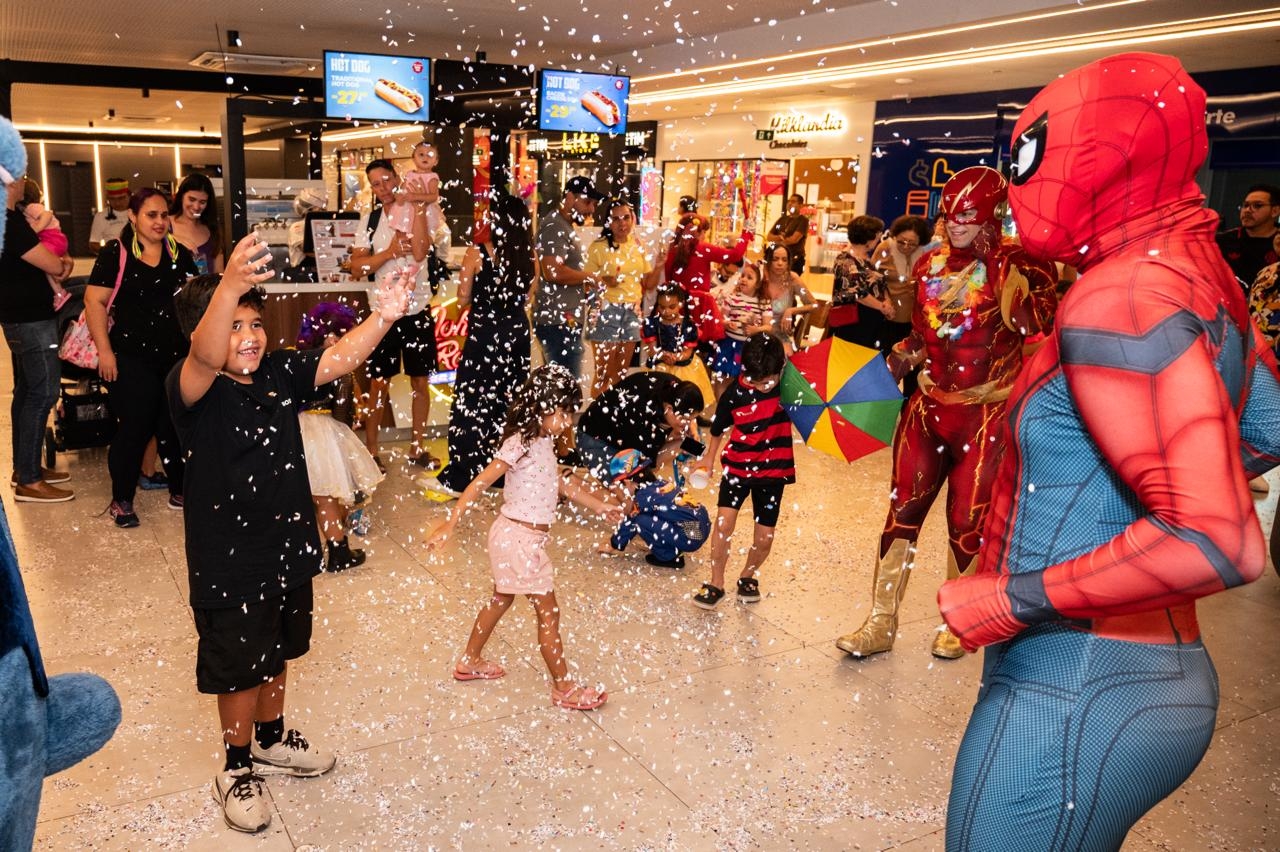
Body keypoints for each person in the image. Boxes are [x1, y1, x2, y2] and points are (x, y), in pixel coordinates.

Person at [938, 52, 1280, 852]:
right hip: (1151, 673)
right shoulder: (1199, 278)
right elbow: (1266, 430)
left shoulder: (1122, 298)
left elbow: (1217, 539)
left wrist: (1012, 597)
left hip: (1074, 686)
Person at [167, 236, 415, 834]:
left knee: (279, 651)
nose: (248, 336)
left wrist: (382, 316)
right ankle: (235, 764)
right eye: (233, 326)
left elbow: (336, 359)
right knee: (239, 668)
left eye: (255, 323)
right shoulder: (193, 389)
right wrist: (226, 285)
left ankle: (273, 740)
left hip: (287, 548)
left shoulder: (278, 372)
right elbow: (204, 355)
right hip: (229, 562)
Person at [834, 166, 1057, 661]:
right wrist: (895, 362)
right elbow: (919, 336)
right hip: (928, 407)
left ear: (993, 215)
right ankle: (880, 622)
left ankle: (957, 619)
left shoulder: (1020, 265)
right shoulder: (928, 265)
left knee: (966, 519)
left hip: (984, 416)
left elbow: (1037, 334)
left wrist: (1016, 275)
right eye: (949, 215)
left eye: (968, 217)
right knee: (902, 512)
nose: (955, 226)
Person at [426, 365, 622, 710]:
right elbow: (481, 482)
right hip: (520, 540)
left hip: (515, 536)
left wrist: (599, 506)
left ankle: (470, 660)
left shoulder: (543, 441)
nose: (567, 421)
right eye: (563, 412)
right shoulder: (520, 443)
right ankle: (563, 687)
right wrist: (451, 522)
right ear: (542, 407)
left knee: (501, 599)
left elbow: (559, 482)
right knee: (549, 613)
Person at [85, 188, 196, 526]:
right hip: (129, 356)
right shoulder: (115, 254)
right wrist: (105, 352)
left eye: (164, 215)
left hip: (176, 357)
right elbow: (94, 303)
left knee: (174, 425)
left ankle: (181, 490)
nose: (160, 222)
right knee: (135, 427)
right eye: (151, 215)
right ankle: (122, 499)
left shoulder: (180, 254)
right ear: (133, 217)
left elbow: (195, 301)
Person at [429, 192, 534, 497]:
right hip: (515, 334)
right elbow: (528, 295)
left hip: (486, 334)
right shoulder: (529, 255)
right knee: (508, 402)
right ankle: (502, 471)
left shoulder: (477, 253)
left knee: (471, 403)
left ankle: (462, 474)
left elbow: (462, 297)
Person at [691, 333, 793, 609]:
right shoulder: (735, 393)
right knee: (723, 524)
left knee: (765, 536)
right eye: (758, 381)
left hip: (774, 473)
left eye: (769, 380)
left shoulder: (790, 388)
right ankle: (716, 581)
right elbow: (717, 429)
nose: (764, 386)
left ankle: (748, 575)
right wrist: (709, 460)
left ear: (781, 368)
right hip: (738, 468)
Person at [349, 158, 436, 472]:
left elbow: (421, 251)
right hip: (383, 314)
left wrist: (420, 210)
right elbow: (357, 267)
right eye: (375, 183)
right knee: (378, 383)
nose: (383, 188)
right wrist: (388, 252)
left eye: (387, 180)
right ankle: (371, 452)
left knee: (420, 382)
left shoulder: (419, 212)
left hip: (417, 310)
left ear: (399, 178)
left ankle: (417, 448)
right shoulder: (369, 221)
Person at [1, 169, 73, 502]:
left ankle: (25, 467)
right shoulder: (10, 224)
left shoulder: (13, 219)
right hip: (30, 321)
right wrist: (62, 264)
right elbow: (55, 266)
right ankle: (29, 480)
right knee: (43, 393)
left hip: (21, 319)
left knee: (28, 391)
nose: (22, 181)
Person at [295, 302, 384, 572]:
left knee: (302, 496)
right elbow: (343, 410)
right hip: (322, 433)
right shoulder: (337, 367)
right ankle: (338, 551)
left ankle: (304, 552)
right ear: (333, 336)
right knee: (327, 497)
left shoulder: (298, 358)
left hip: (295, 431)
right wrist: (353, 420)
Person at [583, 197, 657, 397]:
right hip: (605, 309)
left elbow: (648, 284)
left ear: (632, 219)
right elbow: (585, 282)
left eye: (626, 217)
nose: (622, 223)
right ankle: (597, 421)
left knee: (621, 372)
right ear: (608, 222)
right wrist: (604, 280)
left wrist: (661, 265)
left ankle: (615, 420)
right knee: (603, 373)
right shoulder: (598, 246)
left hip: (632, 311)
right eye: (616, 219)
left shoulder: (638, 245)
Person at [575, 371, 704, 486]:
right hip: (595, 441)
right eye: (686, 419)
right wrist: (683, 443)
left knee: (693, 439)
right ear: (669, 409)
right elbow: (650, 464)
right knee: (631, 495)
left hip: (625, 430)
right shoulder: (643, 420)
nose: (688, 423)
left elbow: (689, 423)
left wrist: (693, 433)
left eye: (692, 418)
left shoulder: (676, 389)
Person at [533, 176, 605, 378]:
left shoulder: (562, 225)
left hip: (564, 321)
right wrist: (588, 277)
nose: (592, 209)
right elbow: (552, 271)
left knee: (563, 387)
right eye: (588, 202)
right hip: (558, 323)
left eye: (594, 204)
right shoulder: (555, 226)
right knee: (564, 390)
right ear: (570, 197)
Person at [663, 213, 752, 368]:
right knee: (701, 349)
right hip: (700, 307)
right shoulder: (703, 249)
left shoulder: (672, 250)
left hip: (678, 305)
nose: (704, 236)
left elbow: (668, 278)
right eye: (704, 232)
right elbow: (735, 255)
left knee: (678, 347)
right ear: (697, 232)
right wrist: (746, 233)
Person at [642, 285, 714, 411]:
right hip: (660, 365)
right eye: (662, 307)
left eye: (671, 307)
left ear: (681, 304)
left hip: (684, 366)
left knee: (687, 394)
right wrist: (663, 355)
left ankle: (692, 417)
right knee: (660, 398)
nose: (666, 312)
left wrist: (675, 357)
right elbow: (652, 350)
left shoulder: (687, 325)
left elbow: (687, 352)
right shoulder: (652, 324)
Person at [828, 215, 893, 351]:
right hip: (853, 324)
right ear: (869, 239)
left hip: (870, 323)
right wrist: (882, 307)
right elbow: (858, 293)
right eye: (877, 235)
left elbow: (879, 285)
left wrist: (887, 302)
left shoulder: (866, 260)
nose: (879, 238)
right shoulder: (846, 260)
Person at [713, 261, 772, 400]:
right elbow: (721, 319)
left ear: (758, 284)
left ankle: (735, 406)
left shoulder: (763, 303)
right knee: (723, 377)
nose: (744, 279)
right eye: (743, 276)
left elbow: (768, 327)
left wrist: (756, 329)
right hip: (729, 345)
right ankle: (721, 405)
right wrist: (727, 324)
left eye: (749, 277)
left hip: (748, 348)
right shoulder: (732, 298)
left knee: (742, 380)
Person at [19, 179, 71, 311]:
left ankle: (60, 293)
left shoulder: (32, 207)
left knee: (48, 265)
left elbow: (47, 215)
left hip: (51, 238)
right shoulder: (29, 209)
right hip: (53, 238)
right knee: (48, 266)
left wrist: (35, 230)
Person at [1216, 183, 1279, 291]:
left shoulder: (1278, 242)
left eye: (1257, 205)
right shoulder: (1222, 240)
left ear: (1275, 211)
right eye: (1245, 205)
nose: (1248, 210)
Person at [760, 242, 816, 352]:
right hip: (757, 333)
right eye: (775, 259)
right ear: (768, 260)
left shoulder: (792, 278)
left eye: (784, 260)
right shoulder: (759, 276)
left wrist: (791, 310)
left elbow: (814, 305)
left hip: (780, 335)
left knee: (786, 356)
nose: (780, 263)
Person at [400, 140, 450, 258]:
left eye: (430, 155)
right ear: (414, 158)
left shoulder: (433, 177)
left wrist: (415, 197)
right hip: (409, 208)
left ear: (436, 161)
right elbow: (402, 190)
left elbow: (433, 196)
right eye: (421, 154)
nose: (425, 157)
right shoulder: (409, 174)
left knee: (426, 230)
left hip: (427, 210)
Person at [169, 173, 224, 275]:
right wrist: (170, 239)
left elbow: (219, 275)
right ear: (181, 197)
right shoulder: (165, 224)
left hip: (204, 290)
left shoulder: (212, 230)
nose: (196, 207)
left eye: (202, 202)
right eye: (192, 199)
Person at [768, 194, 809, 275]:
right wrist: (780, 237)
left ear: (800, 205)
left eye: (793, 201)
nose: (790, 204)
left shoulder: (803, 220)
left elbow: (793, 240)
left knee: (790, 284)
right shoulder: (782, 219)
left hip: (795, 260)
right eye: (789, 201)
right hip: (779, 259)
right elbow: (769, 237)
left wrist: (777, 241)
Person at [88, 177, 130, 254]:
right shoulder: (101, 216)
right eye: (112, 199)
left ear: (129, 196)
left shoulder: (139, 213)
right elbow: (93, 243)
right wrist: (110, 253)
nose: (117, 203)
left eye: (121, 198)